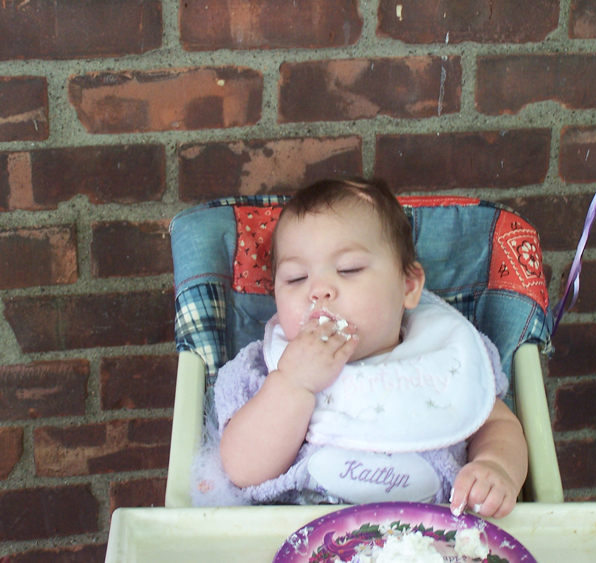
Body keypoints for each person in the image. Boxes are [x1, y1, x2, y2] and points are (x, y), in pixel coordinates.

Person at [197, 177, 528, 519]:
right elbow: (241, 470)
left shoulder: (446, 354)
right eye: (296, 278)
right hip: (298, 543)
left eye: (348, 269)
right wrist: (292, 383)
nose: (319, 290)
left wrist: (495, 465)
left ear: (408, 286)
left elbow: (497, 425)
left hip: (432, 541)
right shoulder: (265, 369)